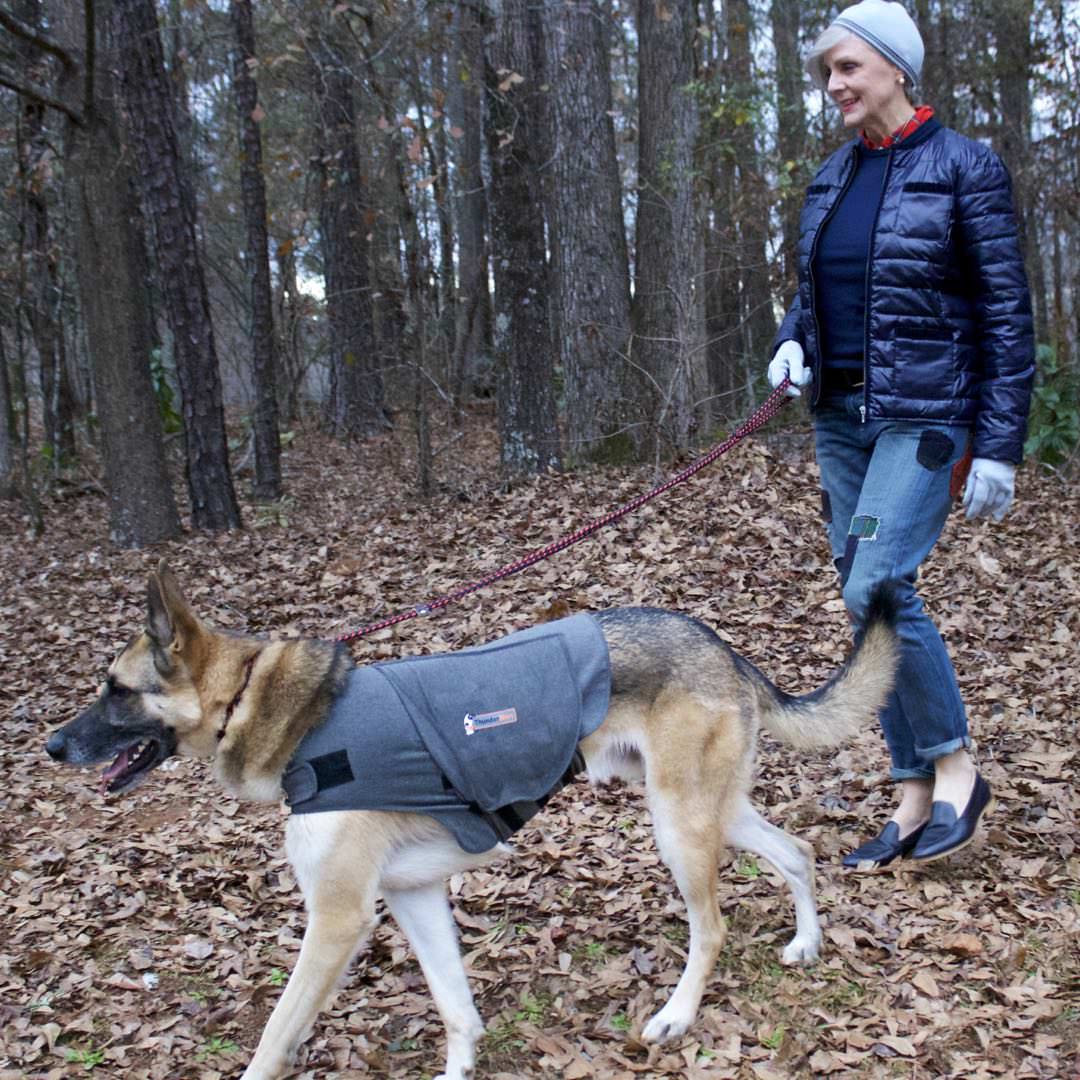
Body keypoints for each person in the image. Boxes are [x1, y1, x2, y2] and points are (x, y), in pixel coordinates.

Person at [767, 0, 1034, 868]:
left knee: (876, 580)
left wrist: (999, 444)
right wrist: (793, 342)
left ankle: (955, 766)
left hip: (924, 418)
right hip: (840, 420)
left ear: (896, 68)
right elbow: (816, 290)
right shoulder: (833, 177)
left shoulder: (964, 167)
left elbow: (1005, 312)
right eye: (827, 72)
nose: (833, 84)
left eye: (847, 67)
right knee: (862, 594)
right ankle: (914, 789)